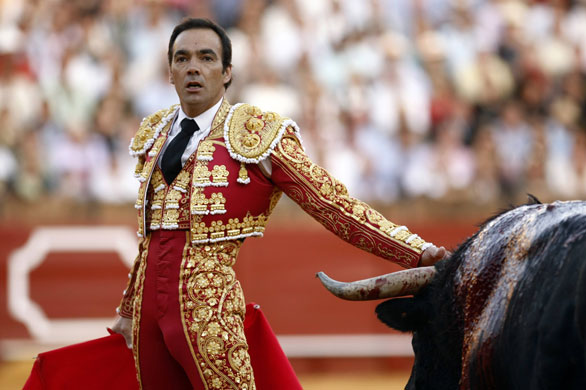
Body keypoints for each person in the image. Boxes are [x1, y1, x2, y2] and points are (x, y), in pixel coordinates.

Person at [112, 17, 447, 390]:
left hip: (207, 307)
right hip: (147, 318)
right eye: (182, 58)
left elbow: (333, 204)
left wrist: (418, 253)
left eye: (206, 58)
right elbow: (152, 236)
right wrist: (129, 309)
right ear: (170, 72)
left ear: (226, 73)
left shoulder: (256, 132)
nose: (192, 67)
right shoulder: (156, 133)